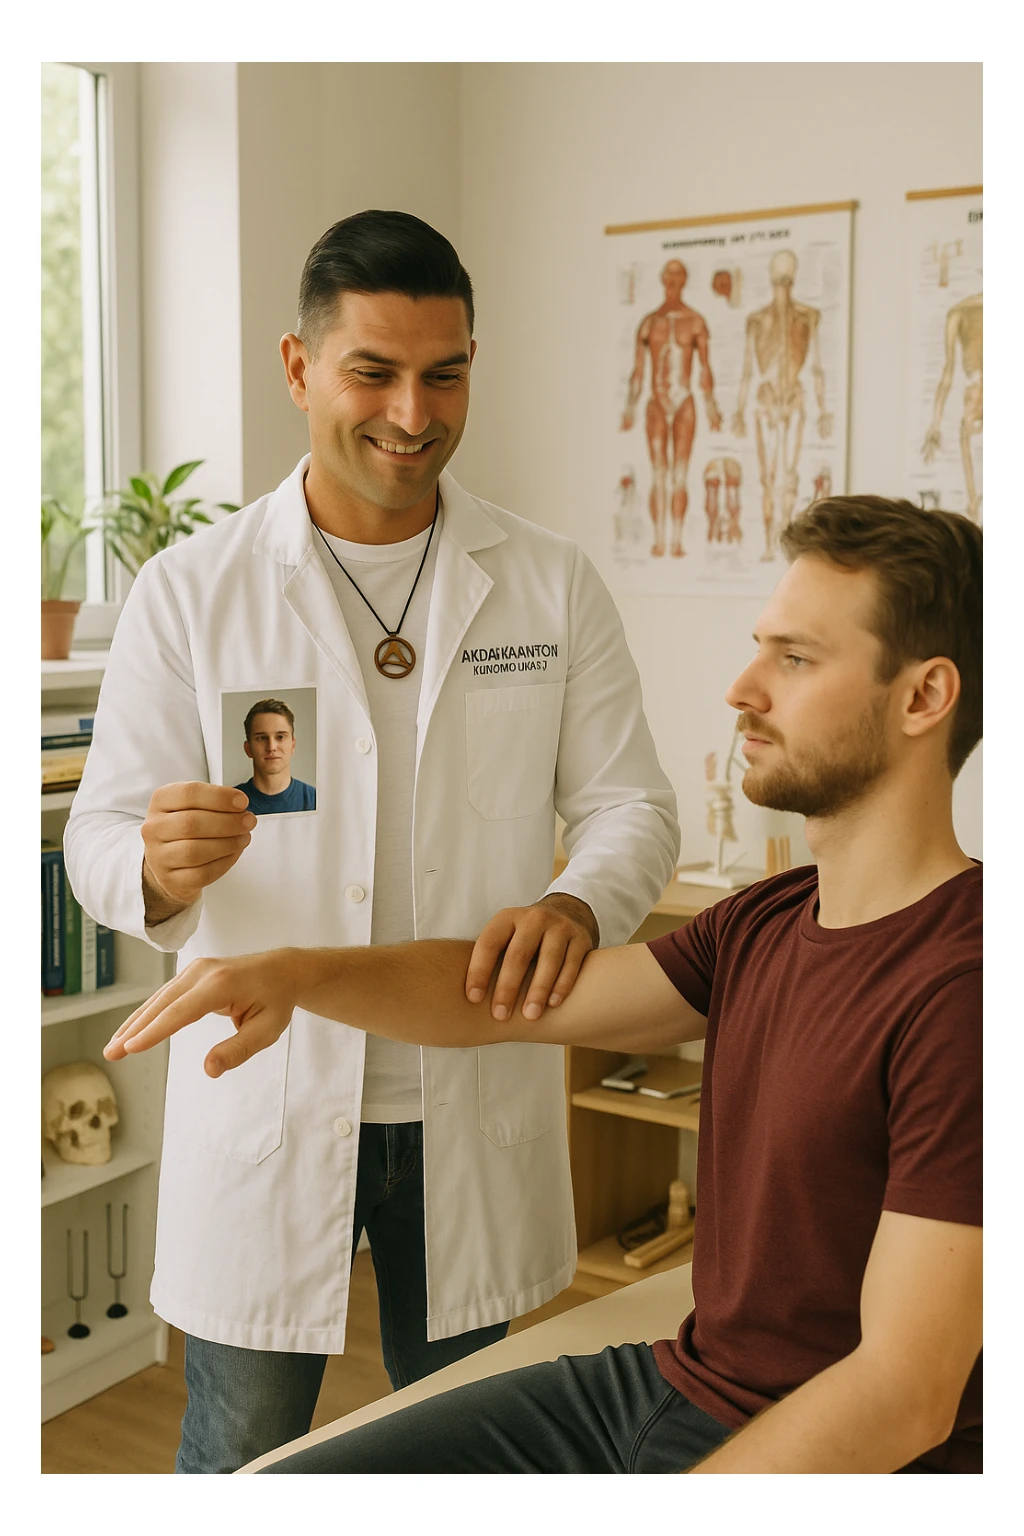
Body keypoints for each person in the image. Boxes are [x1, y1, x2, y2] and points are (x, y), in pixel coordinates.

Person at [107, 495, 982, 1474]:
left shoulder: (968, 989)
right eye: (759, 647)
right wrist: (294, 972)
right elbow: (500, 998)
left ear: (921, 697)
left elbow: (905, 1397)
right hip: (671, 1386)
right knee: (281, 1481)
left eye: (795, 658)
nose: (741, 687)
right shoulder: (770, 917)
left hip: (804, 1450)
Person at [65, 209, 680, 1473]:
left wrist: (575, 906)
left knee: (468, 1442)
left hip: (472, 1087)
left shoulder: (548, 581)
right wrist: (154, 867)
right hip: (270, 1098)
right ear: (298, 370)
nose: (413, 412)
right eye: (374, 372)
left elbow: (633, 806)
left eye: (444, 373)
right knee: (239, 1448)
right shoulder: (192, 591)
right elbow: (100, 838)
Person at [620, 259, 723, 559]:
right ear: (663, 278)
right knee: (658, 474)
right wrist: (630, 406)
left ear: (685, 279)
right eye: (669, 274)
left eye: (678, 274)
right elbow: (638, 371)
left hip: (684, 402)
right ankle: (658, 539)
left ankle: (675, 540)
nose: (673, 279)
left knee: (679, 474)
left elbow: (705, 370)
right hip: (656, 400)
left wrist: (712, 405)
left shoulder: (695, 321)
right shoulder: (650, 322)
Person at [234, 698, 316, 814]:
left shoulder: (315, 801)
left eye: (280, 737)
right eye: (262, 738)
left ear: (293, 745)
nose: (271, 747)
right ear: (248, 749)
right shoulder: (231, 803)